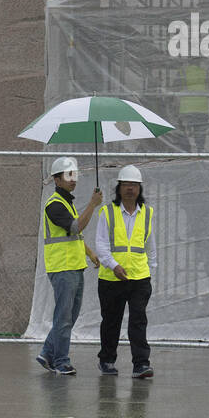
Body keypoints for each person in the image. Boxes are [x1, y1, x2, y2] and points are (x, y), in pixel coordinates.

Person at [38, 156, 102, 375]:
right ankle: (61, 361)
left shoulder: (67, 203)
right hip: (62, 268)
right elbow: (75, 228)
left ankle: (47, 352)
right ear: (57, 180)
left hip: (74, 266)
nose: (72, 179)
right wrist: (93, 205)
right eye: (67, 175)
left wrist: (90, 253)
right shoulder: (54, 205)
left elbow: (74, 237)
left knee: (70, 315)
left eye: (74, 174)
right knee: (64, 316)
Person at [93, 165, 156, 378]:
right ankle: (107, 360)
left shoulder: (147, 213)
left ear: (140, 188)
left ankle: (141, 364)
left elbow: (150, 245)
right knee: (111, 320)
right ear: (119, 188)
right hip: (112, 278)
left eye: (134, 185)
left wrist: (151, 269)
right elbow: (101, 245)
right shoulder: (107, 212)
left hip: (139, 277)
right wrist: (113, 265)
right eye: (126, 184)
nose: (130, 188)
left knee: (138, 321)